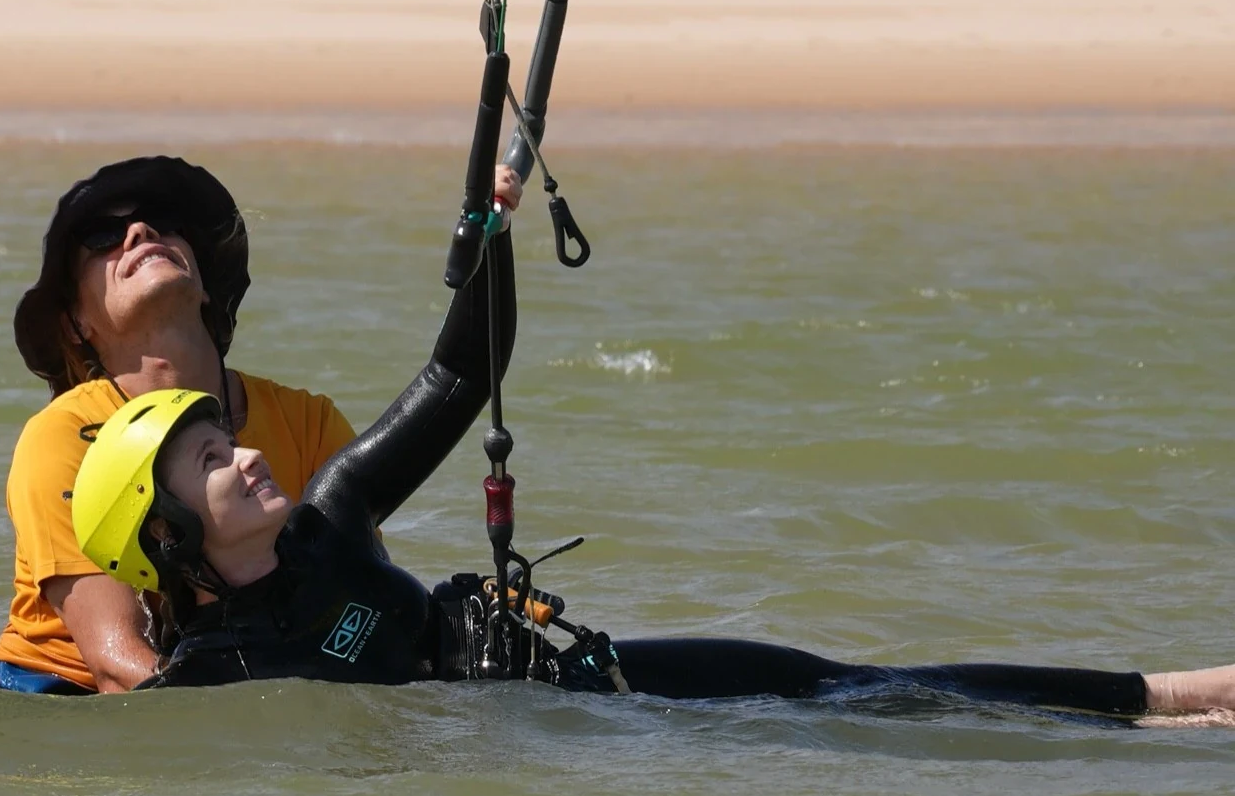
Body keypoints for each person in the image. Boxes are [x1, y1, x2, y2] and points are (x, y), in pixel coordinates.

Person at [68, 180, 1235, 723]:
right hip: (556, 765)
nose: (245, 456)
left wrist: (490, 228)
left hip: (599, 688)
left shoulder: (329, 512)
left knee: (852, 685)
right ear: (170, 534)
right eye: (210, 459)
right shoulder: (209, 679)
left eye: (226, 432)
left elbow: (459, 375)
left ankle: (1175, 695)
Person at [0, 152, 521, 694]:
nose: (140, 232)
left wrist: (490, 221)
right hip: (73, 693)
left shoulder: (304, 420)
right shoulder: (63, 437)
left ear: (205, 281)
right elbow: (114, 668)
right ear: (75, 322)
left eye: (163, 222)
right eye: (103, 237)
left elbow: (351, 584)